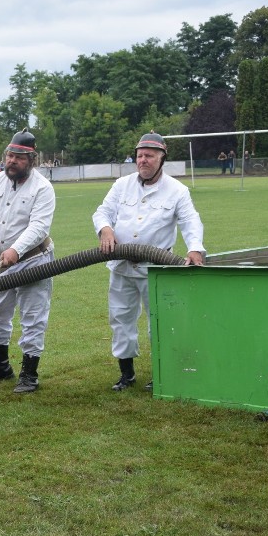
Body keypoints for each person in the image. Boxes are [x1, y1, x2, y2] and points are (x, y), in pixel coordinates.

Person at [93, 131, 205, 392]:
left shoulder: (177, 190)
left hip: (156, 269)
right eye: (140, 155)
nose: (143, 160)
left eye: (149, 156)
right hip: (121, 266)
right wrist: (106, 230)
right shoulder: (121, 185)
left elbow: (190, 220)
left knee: (159, 322)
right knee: (121, 319)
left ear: (162, 158)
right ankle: (126, 374)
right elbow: (103, 212)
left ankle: (162, 374)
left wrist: (195, 248)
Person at [0, 128, 56, 394]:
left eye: (19, 157)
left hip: (34, 261)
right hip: (1, 262)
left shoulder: (43, 188)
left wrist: (16, 250)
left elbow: (39, 227)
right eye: (10, 155)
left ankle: (29, 374)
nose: (12, 161)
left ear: (31, 160)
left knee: (33, 317)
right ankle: (0, 367)